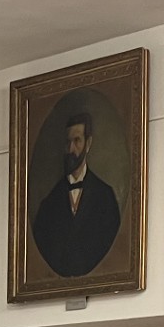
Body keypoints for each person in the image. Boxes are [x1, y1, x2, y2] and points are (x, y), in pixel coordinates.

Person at [30, 109, 123, 278]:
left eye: (77, 141)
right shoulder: (49, 203)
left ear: (88, 143)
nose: (71, 149)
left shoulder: (105, 196)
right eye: (68, 142)